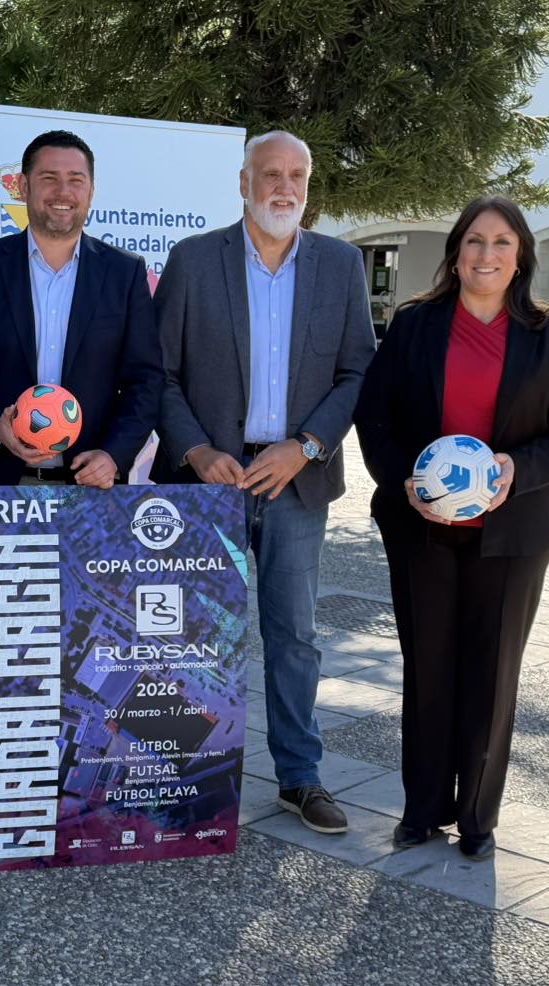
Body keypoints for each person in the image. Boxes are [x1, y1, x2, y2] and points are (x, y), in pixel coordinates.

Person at [0, 129, 164, 840]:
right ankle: (13, 791)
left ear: (91, 191)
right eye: (49, 179)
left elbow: (147, 380)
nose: (63, 192)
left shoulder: (124, 273)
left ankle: (84, 787)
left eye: (76, 179)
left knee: (93, 647)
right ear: (24, 187)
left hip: (91, 494)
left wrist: (115, 456)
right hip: (7, 488)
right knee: (20, 651)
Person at [354, 195, 549, 860]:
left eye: (501, 243)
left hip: (515, 533)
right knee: (428, 665)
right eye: (475, 241)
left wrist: (518, 468)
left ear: (520, 259)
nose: (486, 255)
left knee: (492, 673)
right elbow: (376, 417)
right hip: (422, 526)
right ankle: (423, 809)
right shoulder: (415, 324)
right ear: (456, 253)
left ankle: (477, 818)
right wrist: (404, 482)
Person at [151, 131, 376, 835]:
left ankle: (300, 778)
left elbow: (358, 372)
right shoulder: (193, 260)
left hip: (295, 483)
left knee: (294, 636)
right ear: (243, 182)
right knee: (188, 639)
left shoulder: (340, 264)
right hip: (205, 486)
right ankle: (180, 778)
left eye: (296, 176)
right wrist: (195, 450)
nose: (284, 187)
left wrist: (305, 448)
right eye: (270, 174)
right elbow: (160, 372)